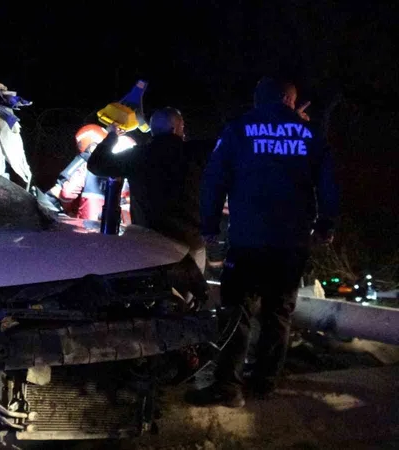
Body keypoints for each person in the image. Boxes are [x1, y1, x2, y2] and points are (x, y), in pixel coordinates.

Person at [187, 77, 339, 408]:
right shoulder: (310, 134)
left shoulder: (238, 129)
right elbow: (329, 184)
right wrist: (325, 224)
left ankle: (228, 386)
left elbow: (214, 179)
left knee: (236, 311)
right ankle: (264, 383)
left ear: (258, 99)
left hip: (248, 240)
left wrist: (209, 224)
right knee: (278, 312)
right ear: (290, 100)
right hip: (291, 242)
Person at [87, 107, 213, 273]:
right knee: (192, 288)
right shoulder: (195, 152)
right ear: (175, 128)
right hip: (189, 241)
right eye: (182, 126)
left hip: (149, 242)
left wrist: (112, 135)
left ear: (152, 130)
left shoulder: (136, 156)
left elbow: (95, 164)